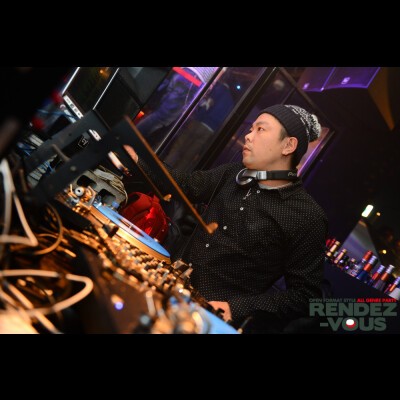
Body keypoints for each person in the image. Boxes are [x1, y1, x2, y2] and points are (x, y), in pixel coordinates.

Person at [131, 104, 328, 332]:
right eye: (251, 129)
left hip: (208, 320)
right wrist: (138, 159)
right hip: (168, 288)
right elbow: (184, 185)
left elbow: (304, 296)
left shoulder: (307, 217)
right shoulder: (233, 173)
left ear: (288, 146)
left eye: (260, 129)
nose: (249, 135)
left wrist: (236, 308)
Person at [163, 79, 235, 170]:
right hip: (210, 130)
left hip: (199, 122)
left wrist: (197, 116)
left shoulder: (218, 88)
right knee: (188, 157)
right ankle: (175, 175)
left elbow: (206, 104)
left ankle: (164, 168)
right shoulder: (231, 102)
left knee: (178, 147)